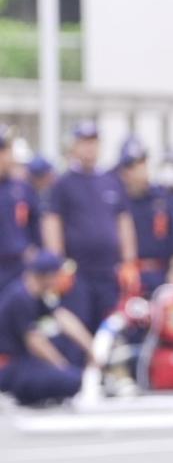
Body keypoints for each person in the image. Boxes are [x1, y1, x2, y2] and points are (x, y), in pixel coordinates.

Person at [41, 121, 138, 331]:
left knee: (110, 329)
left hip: (109, 272)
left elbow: (124, 221)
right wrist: (58, 264)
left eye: (93, 142)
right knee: (79, 327)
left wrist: (129, 262)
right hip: (78, 273)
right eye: (84, 142)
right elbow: (52, 222)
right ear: (74, 146)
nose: (89, 148)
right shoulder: (63, 184)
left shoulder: (112, 181)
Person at [0, 252, 93, 406]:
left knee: (69, 363)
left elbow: (63, 318)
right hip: (8, 367)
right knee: (72, 380)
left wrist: (92, 349)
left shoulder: (37, 295)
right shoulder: (20, 297)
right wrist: (61, 368)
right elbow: (34, 341)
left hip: (22, 363)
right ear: (47, 276)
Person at [116, 138, 173, 297]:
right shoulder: (118, 201)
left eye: (142, 163)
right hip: (129, 276)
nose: (140, 170)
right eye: (133, 166)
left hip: (161, 274)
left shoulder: (162, 199)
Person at [0, 132, 38, 292]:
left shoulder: (21, 188)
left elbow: (35, 224)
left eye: (6, 150)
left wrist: (34, 251)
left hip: (18, 266)